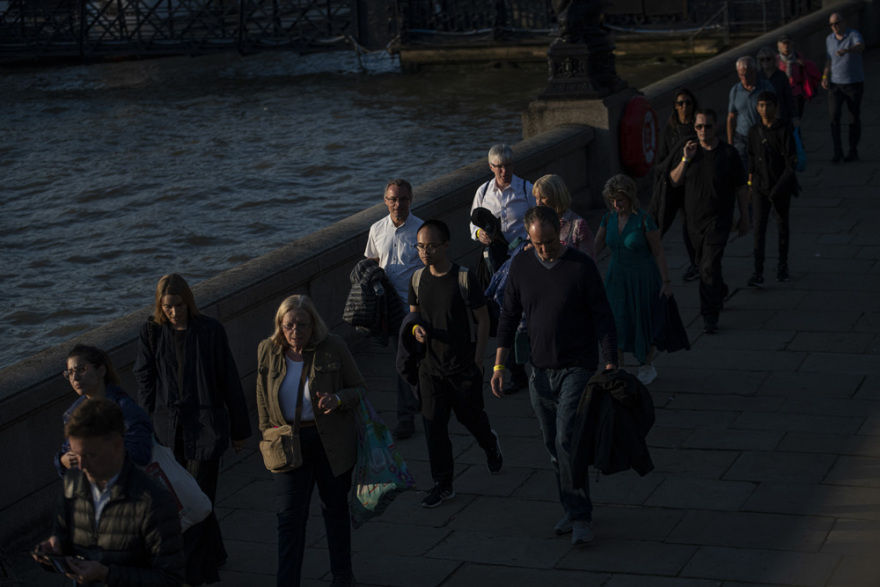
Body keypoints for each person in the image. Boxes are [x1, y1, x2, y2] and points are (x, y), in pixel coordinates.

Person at [490, 206, 617, 546]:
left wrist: (611, 362)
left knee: (566, 440)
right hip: (539, 370)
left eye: (550, 241)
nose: (545, 248)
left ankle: (580, 516)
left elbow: (603, 317)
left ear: (559, 234)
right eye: (538, 243)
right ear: (529, 240)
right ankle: (572, 505)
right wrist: (499, 365)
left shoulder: (581, 267)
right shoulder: (521, 265)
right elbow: (507, 317)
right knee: (552, 445)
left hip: (577, 365)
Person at [134, 273, 251, 583]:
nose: (174, 312)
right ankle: (217, 552)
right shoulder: (151, 333)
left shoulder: (210, 331)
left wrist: (240, 430)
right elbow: (145, 382)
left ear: (189, 302)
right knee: (184, 496)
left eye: (179, 305)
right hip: (168, 431)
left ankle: (197, 573)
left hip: (205, 429)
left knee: (196, 498)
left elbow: (229, 380)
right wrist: (142, 429)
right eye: (167, 307)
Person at [256, 294, 364, 587]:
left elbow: (359, 389)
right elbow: (262, 401)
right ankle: (287, 581)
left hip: (330, 442)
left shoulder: (333, 347)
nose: (295, 332)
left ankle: (342, 575)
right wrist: (268, 435)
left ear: (313, 324)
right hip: (288, 444)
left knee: (334, 510)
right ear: (280, 325)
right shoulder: (267, 350)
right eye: (289, 325)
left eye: (302, 325)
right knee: (289, 518)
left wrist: (338, 398)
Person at [32, 399, 185, 586]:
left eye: (90, 455)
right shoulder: (74, 483)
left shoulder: (153, 500)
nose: (81, 465)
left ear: (118, 445)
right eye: (76, 455)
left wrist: (106, 574)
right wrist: (54, 552)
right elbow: (64, 536)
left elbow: (170, 579)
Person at [408, 219, 503, 508]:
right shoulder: (416, 280)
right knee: (433, 427)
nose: (425, 252)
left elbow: (483, 319)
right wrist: (416, 331)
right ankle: (443, 484)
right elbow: (412, 319)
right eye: (421, 246)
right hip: (430, 369)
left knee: (471, 419)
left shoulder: (463, 278)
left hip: (462, 367)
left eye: (431, 246)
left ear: (446, 246)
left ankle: (490, 444)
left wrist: (478, 361)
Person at [671, 109, 749, 334]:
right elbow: (674, 181)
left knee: (707, 266)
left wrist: (744, 217)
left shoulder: (728, 154)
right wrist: (685, 159)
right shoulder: (690, 152)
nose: (703, 130)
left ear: (716, 127)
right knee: (705, 266)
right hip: (693, 223)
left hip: (719, 221)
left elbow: (741, 187)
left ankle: (709, 316)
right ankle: (720, 290)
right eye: (699, 127)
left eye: (707, 126)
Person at [594, 175, 672, 385]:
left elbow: (658, 252)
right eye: (612, 200)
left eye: (619, 200)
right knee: (615, 323)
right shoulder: (608, 219)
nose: (616, 205)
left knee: (641, 321)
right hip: (616, 278)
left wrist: (666, 282)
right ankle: (617, 367)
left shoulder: (645, 220)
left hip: (642, 278)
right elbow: (594, 249)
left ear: (630, 198)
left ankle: (646, 365)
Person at [364, 179, 422, 440]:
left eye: (403, 199)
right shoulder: (376, 229)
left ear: (411, 199)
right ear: (385, 201)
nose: (398, 204)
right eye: (392, 199)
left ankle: (410, 411)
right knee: (403, 361)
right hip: (390, 308)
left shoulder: (421, 229)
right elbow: (372, 263)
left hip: (416, 306)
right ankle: (409, 413)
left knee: (412, 359)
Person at [55, 344, 153, 478]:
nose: (75, 378)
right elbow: (68, 457)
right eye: (70, 373)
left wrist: (99, 450)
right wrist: (62, 461)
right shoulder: (73, 414)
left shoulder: (125, 408)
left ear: (101, 371)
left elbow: (142, 454)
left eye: (81, 369)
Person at [747, 91, 799, 286]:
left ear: (776, 107)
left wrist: (779, 187)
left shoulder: (783, 130)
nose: (764, 109)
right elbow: (751, 158)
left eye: (768, 105)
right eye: (760, 105)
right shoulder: (754, 131)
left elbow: (790, 163)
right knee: (758, 230)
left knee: (782, 227)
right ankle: (757, 271)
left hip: (780, 187)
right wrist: (750, 185)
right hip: (761, 186)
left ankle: (782, 266)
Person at [653, 88, 699, 281]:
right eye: (680, 103)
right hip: (672, 185)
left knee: (690, 225)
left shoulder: (698, 128)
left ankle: (695, 264)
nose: (684, 107)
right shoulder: (669, 129)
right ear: (675, 107)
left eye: (688, 102)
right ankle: (652, 262)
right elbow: (661, 160)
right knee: (659, 223)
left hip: (692, 185)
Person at [469, 143, 536, 275]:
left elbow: (540, 219)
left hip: (522, 255)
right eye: (499, 167)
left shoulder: (527, 189)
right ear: (491, 167)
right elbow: (473, 224)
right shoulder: (483, 192)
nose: (504, 171)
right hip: (495, 259)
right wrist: (479, 234)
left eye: (508, 165)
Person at [822, 12, 865, 163]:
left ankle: (853, 150)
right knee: (834, 116)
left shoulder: (853, 35)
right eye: (832, 24)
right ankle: (837, 151)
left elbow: (861, 46)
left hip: (854, 83)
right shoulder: (829, 39)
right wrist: (825, 76)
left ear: (843, 22)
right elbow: (829, 59)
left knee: (853, 117)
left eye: (837, 23)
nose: (834, 27)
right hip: (835, 85)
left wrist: (848, 50)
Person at [727, 56, 776, 171]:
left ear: (755, 71)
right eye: (741, 75)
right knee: (742, 167)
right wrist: (730, 142)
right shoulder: (735, 90)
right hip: (742, 137)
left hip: (762, 134)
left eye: (747, 74)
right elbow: (731, 117)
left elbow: (775, 111)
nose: (744, 78)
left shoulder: (765, 87)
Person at [533, 174, 596, 259]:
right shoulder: (536, 224)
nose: (539, 203)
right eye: (537, 198)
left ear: (557, 196)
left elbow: (589, 262)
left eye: (543, 197)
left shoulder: (578, 226)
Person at [777, 34, 821, 121]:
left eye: (788, 43)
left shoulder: (798, 57)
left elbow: (814, 72)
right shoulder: (776, 60)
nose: (786, 46)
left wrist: (804, 65)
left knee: (796, 119)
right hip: (782, 94)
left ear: (792, 44)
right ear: (779, 45)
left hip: (796, 93)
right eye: (783, 43)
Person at [757, 46, 798, 126]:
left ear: (773, 60)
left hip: (781, 114)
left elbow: (789, 97)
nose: (765, 61)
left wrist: (795, 116)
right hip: (763, 117)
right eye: (762, 59)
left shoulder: (781, 76)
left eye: (768, 59)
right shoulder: (758, 77)